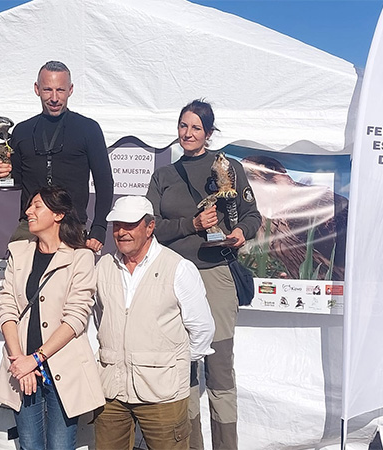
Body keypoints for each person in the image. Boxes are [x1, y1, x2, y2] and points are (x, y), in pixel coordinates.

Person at [146, 100, 261, 450]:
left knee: (220, 367)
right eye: (183, 126)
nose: (188, 133)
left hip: (216, 274)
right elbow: (151, 226)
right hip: (174, 276)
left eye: (196, 127)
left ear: (209, 133)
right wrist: (191, 224)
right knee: (183, 369)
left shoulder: (228, 168)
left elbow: (252, 215)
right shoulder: (164, 176)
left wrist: (240, 232)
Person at [93, 196, 216, 450]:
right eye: (117, 225)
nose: (121, 232)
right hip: (111, 389)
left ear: (150, 227)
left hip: (163, 394)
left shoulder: (178, 268)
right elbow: (99, 319)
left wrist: (172, 366)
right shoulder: (103, 266)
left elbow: (202, 328)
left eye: (130, 225)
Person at [0, 185, 105, 450]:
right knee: (29, 445)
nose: (28, 212)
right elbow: (6, 306)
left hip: (62, 368)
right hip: (23, 369)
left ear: (58, 214)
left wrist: (36, 359)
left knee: (60, 445)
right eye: (29, 206)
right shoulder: (19, 252)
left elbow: (76, 318)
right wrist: (20, 360)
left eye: (37, 206)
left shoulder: (81, 257)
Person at [0, 60, 114, 252]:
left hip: (71, 226)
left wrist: (99, 228)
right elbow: (17, 180)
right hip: (31, 226)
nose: (54, 98)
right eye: (48, 90)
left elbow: (104, 182)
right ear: (37, 89)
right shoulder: (22, 131)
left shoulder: (88, 129)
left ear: (70, 90)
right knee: (17, 270)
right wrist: (4, 172)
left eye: (60, 90)